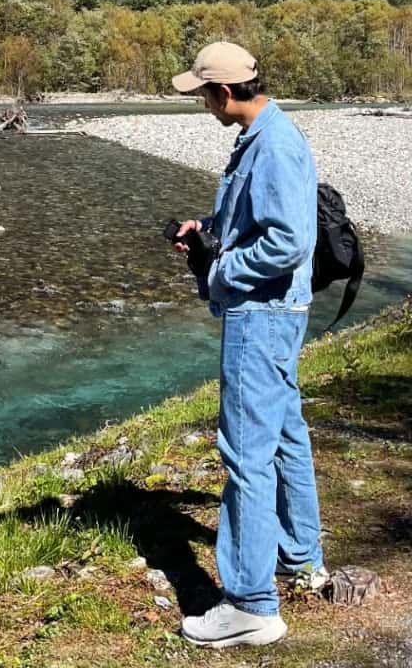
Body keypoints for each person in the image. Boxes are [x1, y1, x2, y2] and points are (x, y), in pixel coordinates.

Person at [170, 41, 327, 649]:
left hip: (261, 315)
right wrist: (208, 232)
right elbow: (257, 223)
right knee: (285, 431)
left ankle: (250, 604)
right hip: (277, 311)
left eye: (204, 93)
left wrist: (219, 273)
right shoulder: (266, 135)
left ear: (225, 93)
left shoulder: (276, 147)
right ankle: (299, 554)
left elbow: (286, 242)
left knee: (245, 454)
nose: (203, 103)